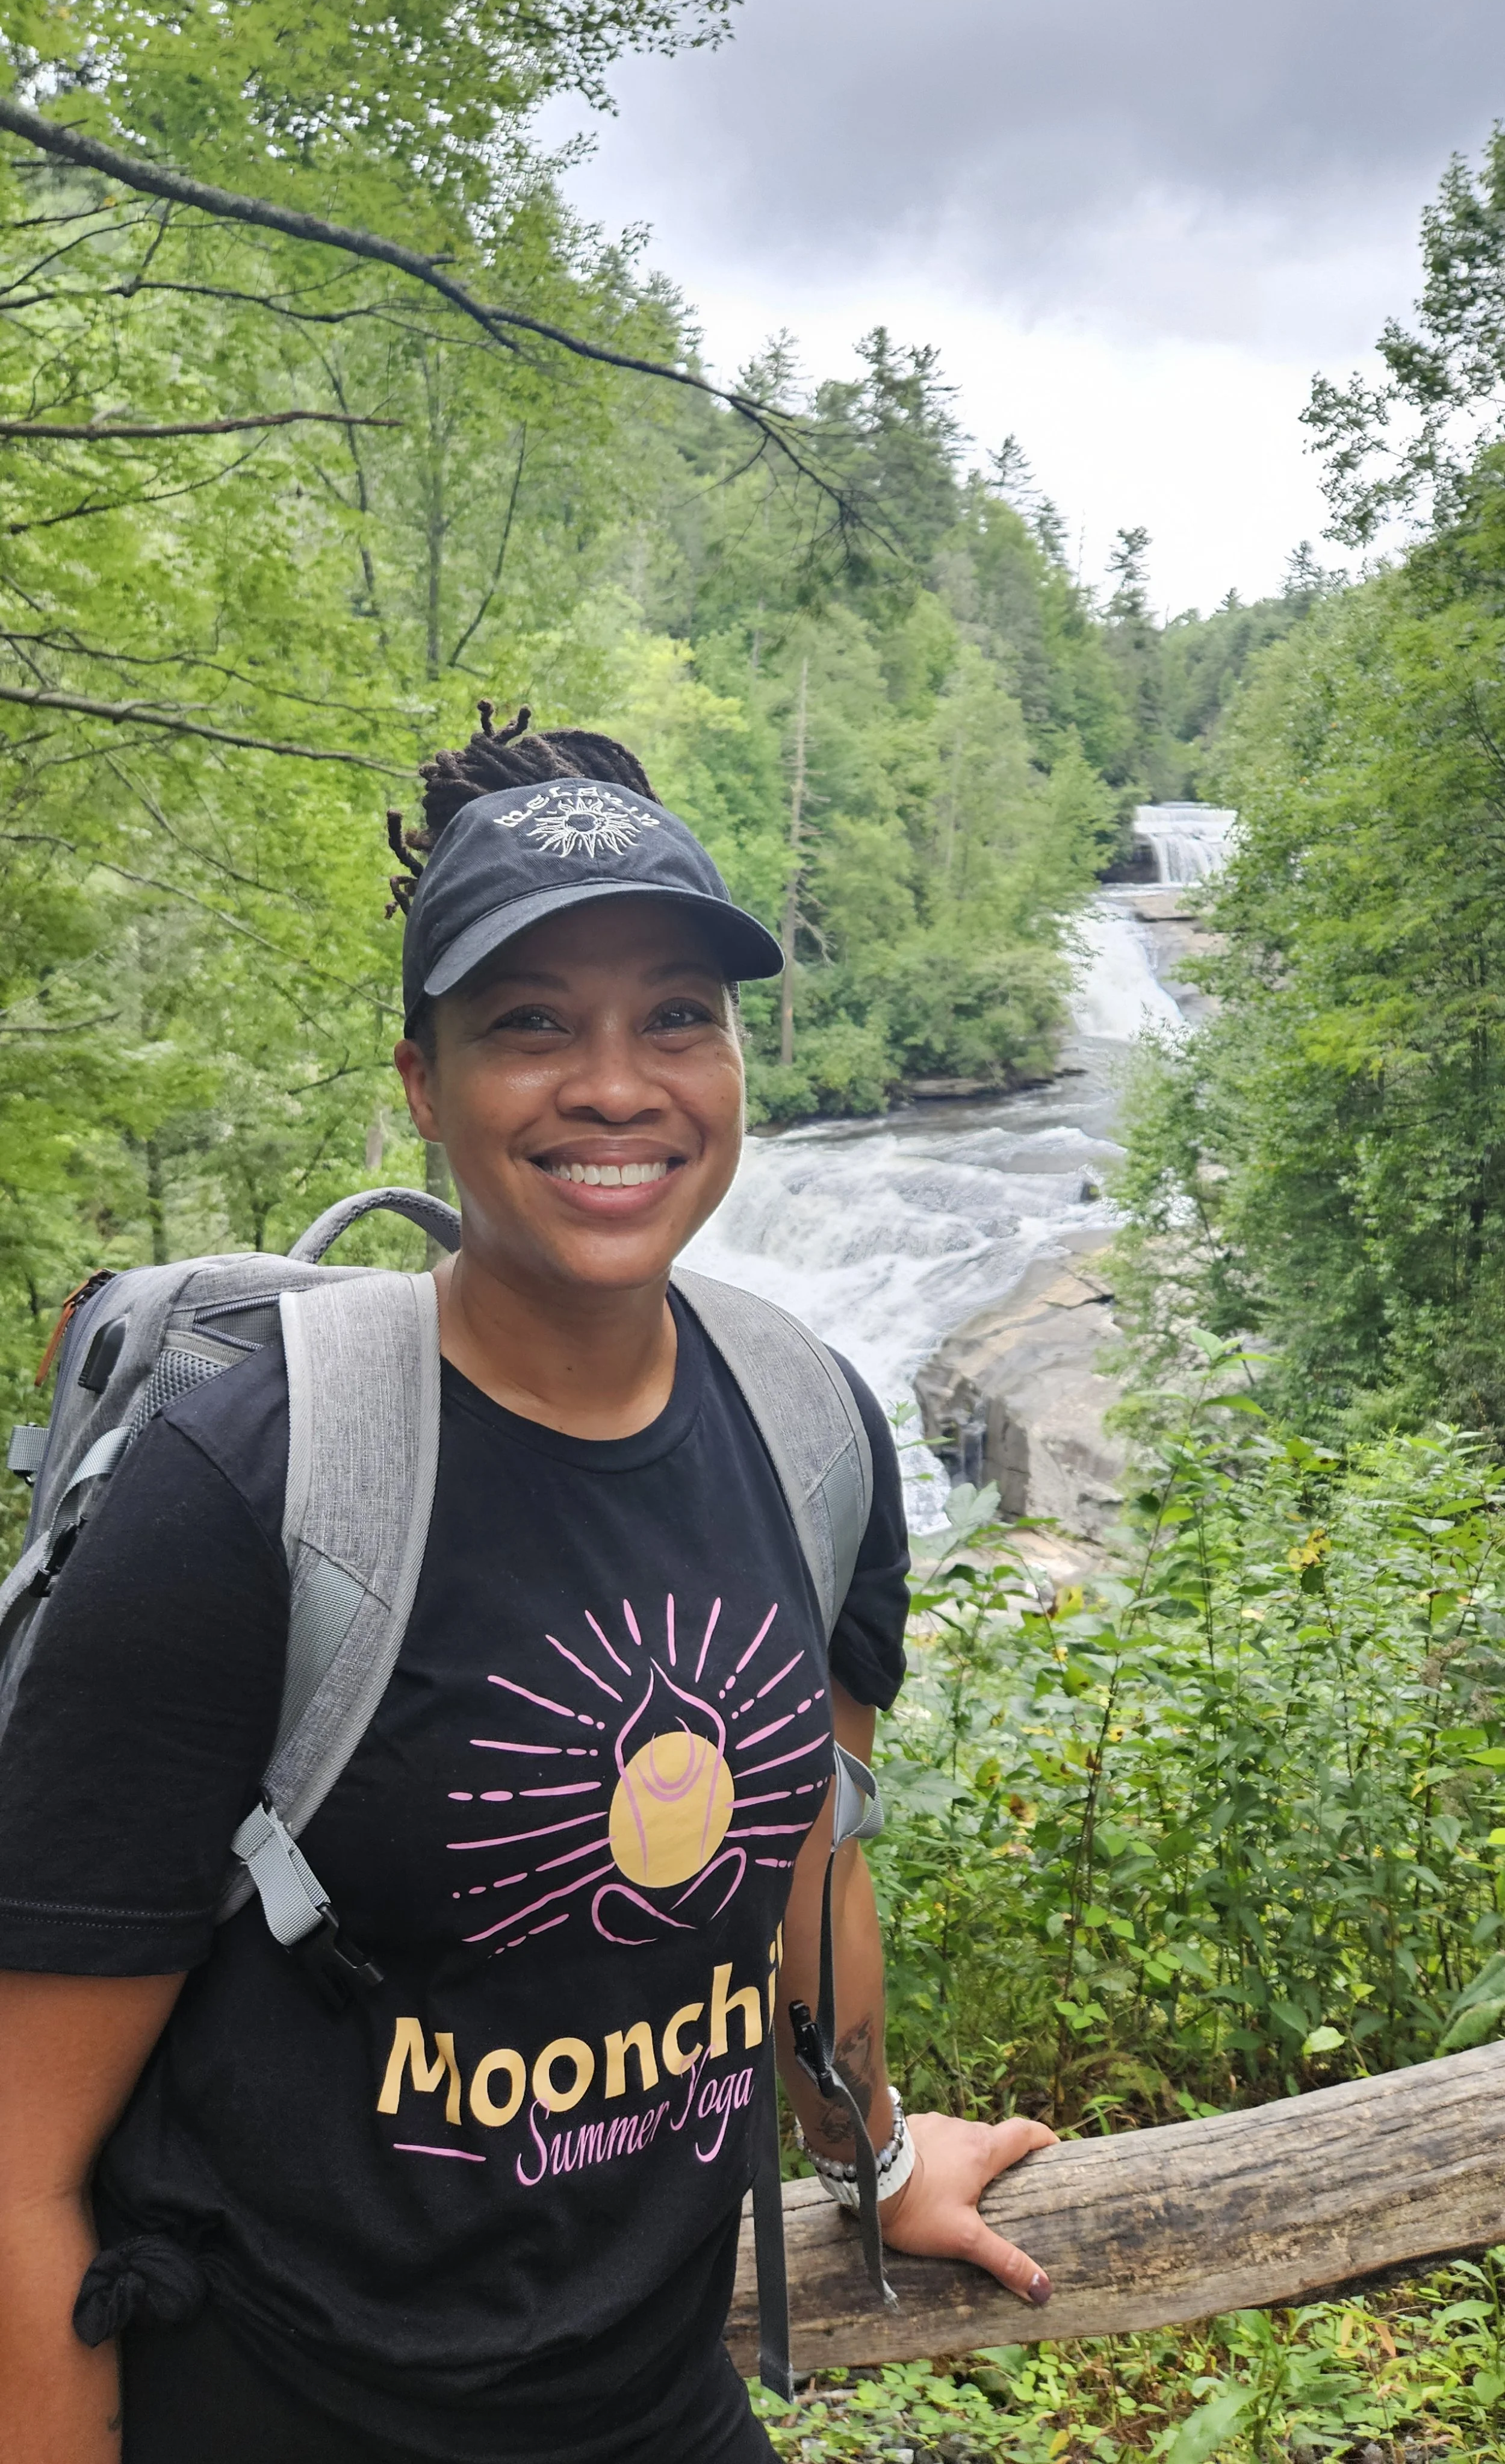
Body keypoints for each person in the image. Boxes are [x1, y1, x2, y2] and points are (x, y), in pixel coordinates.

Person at [0, 710, 1056, 2464]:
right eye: (531, 1024)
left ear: (735, 1058)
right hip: (282, 2410)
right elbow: (19, 2168)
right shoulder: (251, 1489)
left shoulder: (810, 1428)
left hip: (656, 2401)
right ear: (423, 1084)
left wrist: (869, 2155)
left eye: (677, 1016)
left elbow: (810, 1857)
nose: (617, 1086)